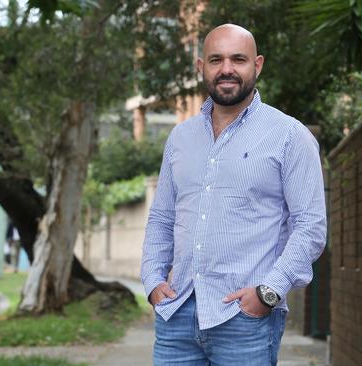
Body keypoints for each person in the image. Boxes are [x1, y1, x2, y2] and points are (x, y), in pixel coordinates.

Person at [140, 23, 327, 366]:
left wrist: (269, 292)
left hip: (245, 319)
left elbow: (311, 226)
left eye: (237, 59)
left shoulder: (289, 136)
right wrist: (153, 279)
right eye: (216, 60)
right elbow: (162, 217)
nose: (226, 69)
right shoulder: (180, 139)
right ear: (201, 68)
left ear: (257, 65)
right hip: (176, 314)